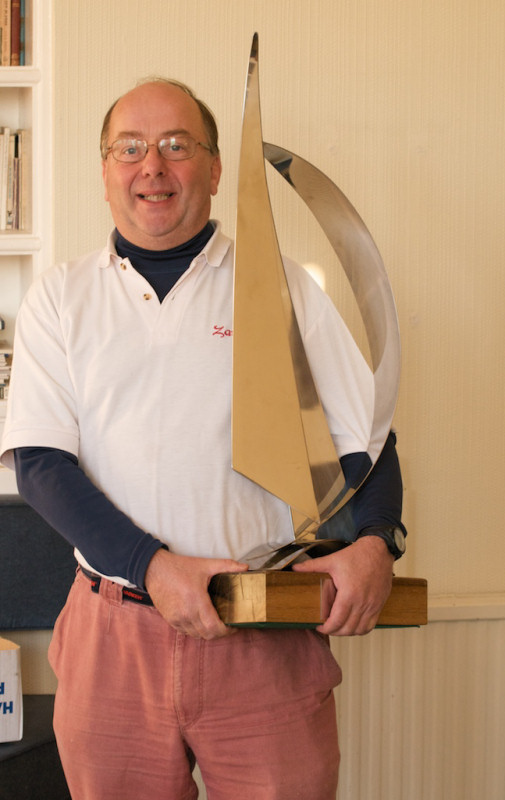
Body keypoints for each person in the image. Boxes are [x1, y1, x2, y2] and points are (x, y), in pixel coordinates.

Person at [0, 78, 406, 800]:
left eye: (176, 146)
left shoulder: (281, 290)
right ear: (104, 172)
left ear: (215, 169)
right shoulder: (61, 299)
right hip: (112, 639)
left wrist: (376, 541)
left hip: (262, 630)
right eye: (130, 147)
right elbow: (39, 464)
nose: (151, 166)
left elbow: (364, 440)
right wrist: (153, 567)